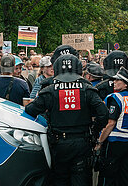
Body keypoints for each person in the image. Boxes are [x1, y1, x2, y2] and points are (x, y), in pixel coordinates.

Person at [25, 54, 108, 186]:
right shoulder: (87, 89)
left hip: (59, 145)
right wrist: (95, 131)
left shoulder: (50, 90)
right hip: (82, 143)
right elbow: (103, 114)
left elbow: (30, 110)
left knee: (60, 180)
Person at [95, 67, 128, 186]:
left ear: (126, 84)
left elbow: (111, 123)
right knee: (126, 176)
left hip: (114, 142)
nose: (114, 82)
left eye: (118, 80)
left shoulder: (116, 98)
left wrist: (100, 141)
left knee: (108, 176)